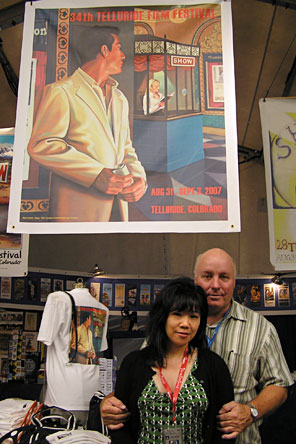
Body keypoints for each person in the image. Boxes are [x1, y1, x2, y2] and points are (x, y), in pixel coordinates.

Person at [100, 248, 293, 443]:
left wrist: (250, 411)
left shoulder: (260, 328)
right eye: (207, 276)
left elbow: (280, 383)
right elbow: (140, 380)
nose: (215, 285)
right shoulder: (163, 334)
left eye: (224, 277)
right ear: (196, 279)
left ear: (234, 282)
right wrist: (111, 403)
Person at [28, 26, 146, 222]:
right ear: (104, 50)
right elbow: (42, 144)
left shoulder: (119, 98)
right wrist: (95, 174)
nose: (123, 55)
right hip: (78, 209)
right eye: (118, 47)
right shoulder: (61, 92)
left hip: (118, 206)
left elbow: (126, 148)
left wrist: (139, 178)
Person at [109, 277, 234, 444]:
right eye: (177, 314)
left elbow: (226, 428)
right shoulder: (133, 363)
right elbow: (118, 425)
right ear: (163, 317)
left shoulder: (214, 365)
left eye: (194, 316)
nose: (185, 323)